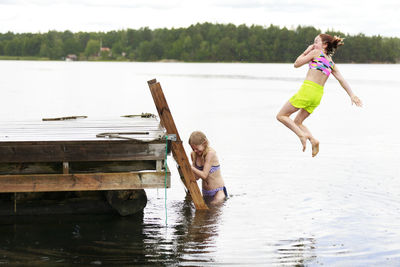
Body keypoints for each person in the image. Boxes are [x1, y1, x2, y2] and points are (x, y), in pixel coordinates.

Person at [276, 33, 363, 157]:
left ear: (324, 45)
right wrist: (352, 95)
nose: (313, 45)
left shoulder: (316, 53)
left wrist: (306, 51)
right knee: (298, 121)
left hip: (307, 90)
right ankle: (313, 140)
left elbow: (296, 64)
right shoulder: (331, 62)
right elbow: (341, 79)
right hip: (317, 95)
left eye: (316, 42)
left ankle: (301, 135)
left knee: (281, 115)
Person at [189, 131, 227, 205]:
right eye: (193, 149)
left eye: (197, 148)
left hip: (218, 191)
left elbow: (204, 175)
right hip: (205, 192)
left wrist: (190, 167)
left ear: (205, 143)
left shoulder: (210, 153)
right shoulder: (194, 154)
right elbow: (196, 177)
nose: (195, 151)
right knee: (203, 213)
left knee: (212, 209)